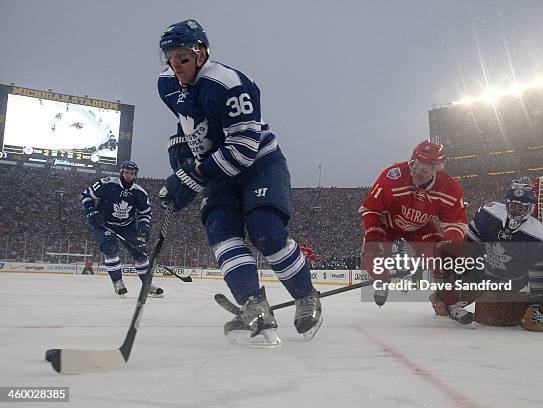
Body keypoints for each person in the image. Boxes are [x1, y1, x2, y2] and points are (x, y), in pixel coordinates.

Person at [156, 19, 321, 345]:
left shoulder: (229, 85)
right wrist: (182, 150)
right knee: (221, 231)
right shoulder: (166, 83)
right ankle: (253, 305)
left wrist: (192, 175)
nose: (176, 67)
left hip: (258, 164)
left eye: (183, 59)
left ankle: (306, 295)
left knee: (265, 230)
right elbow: (191, 119)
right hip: (218, 169)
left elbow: (242, 151)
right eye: (170, 60)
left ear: (202, 54)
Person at [359, 140, 472, 326]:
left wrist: (451, 242)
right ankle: (381, 279)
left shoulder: (449, 187)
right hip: (387, 223)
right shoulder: (392, 176)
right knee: (375, 250)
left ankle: (451, 304)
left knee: (443, 258)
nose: (417, 174)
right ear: (411, 160)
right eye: (415, 166)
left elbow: (456, 221)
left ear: (437, 170)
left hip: (420, 227)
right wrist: (372, 233)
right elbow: (370, 210)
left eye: (425, 171)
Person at [463, 179, 543, 333]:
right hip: (483, 274)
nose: (514, 210)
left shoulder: (540, 237)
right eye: (512, 205)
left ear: (530, 208)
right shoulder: (488, 213)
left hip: (513, 282)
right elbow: (469, 245)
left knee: (500, 315)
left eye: (520, 207)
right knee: (443, 301)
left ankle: (524, 304)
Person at [81, 161, 163, 297]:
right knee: (110, 248)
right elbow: (86, 196)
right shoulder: (106, 183)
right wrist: (91, 212)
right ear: (121, 172)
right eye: (126, 172)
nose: (129, 175)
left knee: (141, 253)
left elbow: (145, 214)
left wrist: (144, 229)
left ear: (135, 174)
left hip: (127, 226)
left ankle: (147, 285)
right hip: (105, 224)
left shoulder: (139, 192)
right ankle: (117, 282)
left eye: (132, 173)